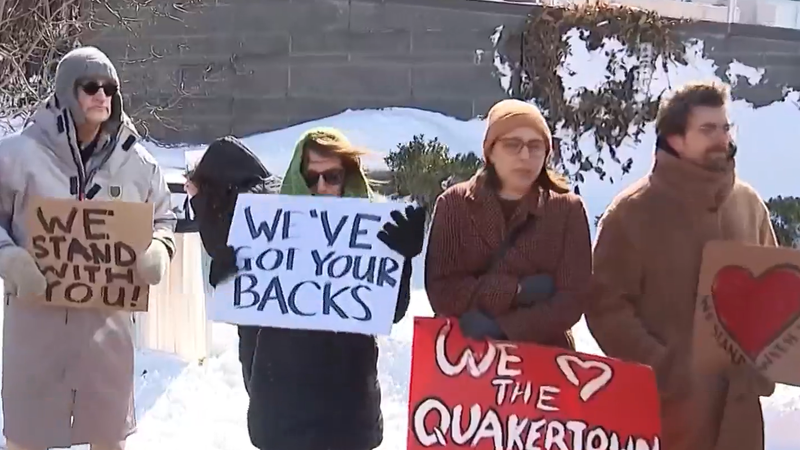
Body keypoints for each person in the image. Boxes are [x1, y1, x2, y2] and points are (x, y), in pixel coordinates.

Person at [0, 46, 176, 450]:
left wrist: (160, 250)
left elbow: (164, 217)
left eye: (110, 88)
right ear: (65, 93)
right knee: (27, 435)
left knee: (108, 434)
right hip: (36, 322)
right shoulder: (16, 157)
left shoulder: (139, 164)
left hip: (107, 327)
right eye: (90, 86)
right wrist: (9, 258)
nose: (102, 96)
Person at [585, 81, 776, 450]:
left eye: (725, 127)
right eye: (707, 129)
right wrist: (664, 368)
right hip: (667, 413)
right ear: (675, 139)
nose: (722, 138)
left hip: (739, 416)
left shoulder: (748, 204)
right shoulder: (632, 212)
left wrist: (762, 367)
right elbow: (606, 307)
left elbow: (773, 295)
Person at [245, 127, 426, 450]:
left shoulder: (376, 228)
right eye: (311, 178)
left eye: (332, 176)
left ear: (348, 177)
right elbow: (246, 314)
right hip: (283, 413)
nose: (322, 188)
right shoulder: (270, 230)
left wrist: (402, 258)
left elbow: (392, 311)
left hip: (349, 412)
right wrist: (233, 267)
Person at [425, 99, 592, 349]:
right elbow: (442, 289)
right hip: (466, 357)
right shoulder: (454, 205)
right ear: (490, 151)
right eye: (513, 145)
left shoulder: (567, 209)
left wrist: (505, 329)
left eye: (535, 146)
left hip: (545, 359)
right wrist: (517, 291)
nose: (525, 155)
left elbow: (572, 300)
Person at [184, 135, 281, 392]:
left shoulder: (244, 202)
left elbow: (218, 246)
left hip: (258, 318)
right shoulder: (273, 187)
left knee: (261, 388)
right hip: (280, 310)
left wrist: (199, 201)